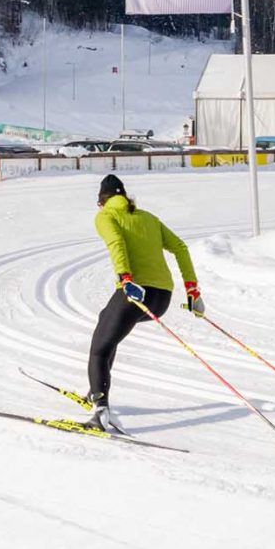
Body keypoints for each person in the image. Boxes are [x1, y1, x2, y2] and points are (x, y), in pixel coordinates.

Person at [86, 174, 201, 431]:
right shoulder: (148, 218)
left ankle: (100, 409)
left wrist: (125, 278)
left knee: (99, 349)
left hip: (135, 294)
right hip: (162, 298)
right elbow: (181, 248)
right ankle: (95, 388)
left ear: (102, 202)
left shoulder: (106, 216)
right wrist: (192, 289)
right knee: (106, 320)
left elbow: (116, 243)